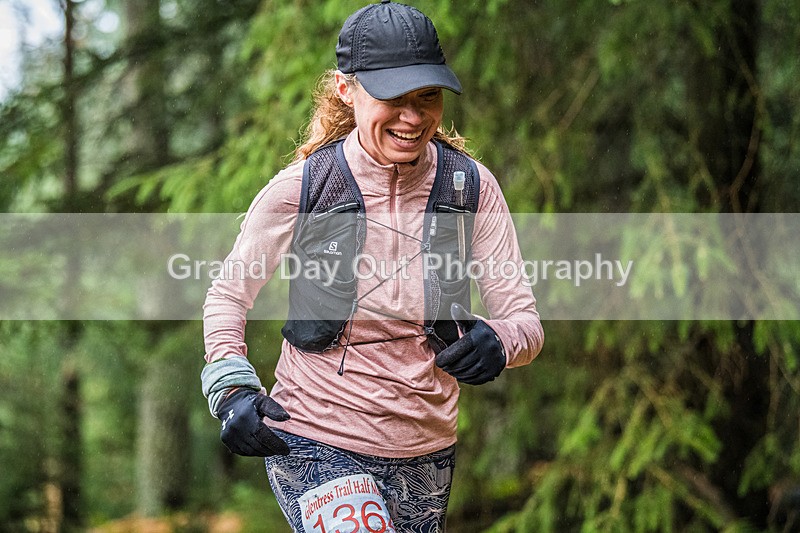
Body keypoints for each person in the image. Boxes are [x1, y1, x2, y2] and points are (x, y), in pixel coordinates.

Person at [201, 1, 543, 531]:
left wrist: (501, 341)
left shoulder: (470, 188)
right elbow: (228, 295)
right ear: (346, 89)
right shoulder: (304, 188)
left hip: (426, 451)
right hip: (316, 439)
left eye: (427, 97)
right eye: (393, 98)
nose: (414, 117)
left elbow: (525, 321)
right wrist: (230, 387)